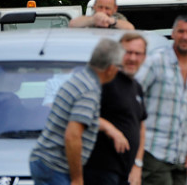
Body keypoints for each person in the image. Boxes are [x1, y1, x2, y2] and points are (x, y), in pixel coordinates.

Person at [29, 38, 122, 185]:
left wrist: (110, 128)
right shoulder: (89, 90)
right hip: (56, 166)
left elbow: (80, 117)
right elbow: (72, 136)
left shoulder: (80, 80)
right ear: (110, 68)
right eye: (119, 66)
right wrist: (77, 178)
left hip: (45, 161)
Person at [136, 15, 187, 185]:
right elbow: (134, 99)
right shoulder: (155, 61)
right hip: (153, 151)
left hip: (182, 153)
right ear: (173, 34)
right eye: (181, 31)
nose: (185, 36)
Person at [84, 33, 150, 185]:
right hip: (100, 170)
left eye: (138, 54)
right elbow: (83, 114)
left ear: (144, 57)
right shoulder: (105, 80)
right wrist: (110, 129)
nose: (133, 58)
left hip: (126, 173)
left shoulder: (136, 87)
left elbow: (140, 127)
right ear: (118, 54)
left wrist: (137, 165)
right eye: (128, 52)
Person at [70, 0, 135, 30]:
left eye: (107, 8)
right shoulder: (89, 19)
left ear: (115, 9)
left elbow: (130, 28)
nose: (103, 11)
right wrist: (93, 20)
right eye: (100, 7)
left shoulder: (118, 18)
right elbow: (72, 24)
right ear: (94, 6)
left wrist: (110, 21)